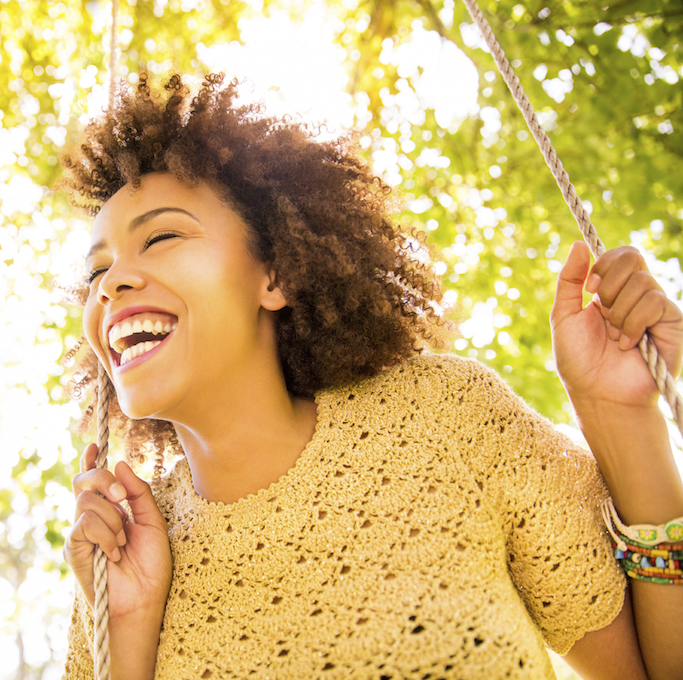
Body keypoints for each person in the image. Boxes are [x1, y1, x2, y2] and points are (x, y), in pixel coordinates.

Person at [57, 73, 683, 679]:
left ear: (276, 275)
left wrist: (620, 414)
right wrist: (128, 630)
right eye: (96, 273)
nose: (110, 285)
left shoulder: (445, 415)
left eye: (161, 236)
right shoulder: (121, 559)